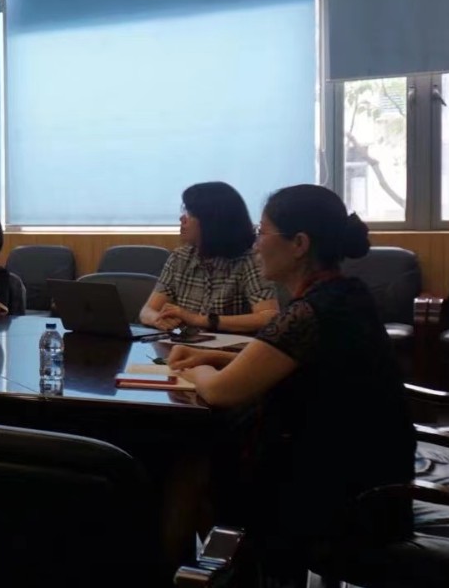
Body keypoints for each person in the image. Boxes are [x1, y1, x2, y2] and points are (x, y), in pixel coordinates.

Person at [168, 184, 415, 568]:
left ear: (299, 244)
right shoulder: (342, 293)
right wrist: (211, 355)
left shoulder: (310, 312)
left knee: (188, 465)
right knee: (201, 458)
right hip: (372, 466)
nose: (255, 246)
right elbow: (282, 359)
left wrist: (193, 367)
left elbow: (218, 392)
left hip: (343, 488)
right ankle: (234, 585)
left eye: (263, 233)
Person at [140, 182, 278, 334]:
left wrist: (198, 320)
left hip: (232, 347)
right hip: (185, 345)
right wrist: (158, 319)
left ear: (211, 222)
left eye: (189, 214)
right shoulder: (180, 257)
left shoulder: (250, 260)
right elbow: (147, 311)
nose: (181, 219)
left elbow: (268, 317)